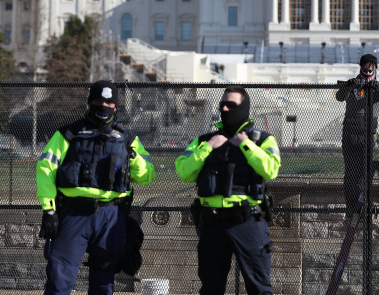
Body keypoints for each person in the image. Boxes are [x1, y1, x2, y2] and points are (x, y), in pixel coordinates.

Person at [36, 80, 155, 295]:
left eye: (109, 102)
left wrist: (133, 156)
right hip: (73, 214)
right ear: (89, 103)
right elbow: (46, 169)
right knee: (59, 279)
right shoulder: (68, 134)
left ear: (116, 107)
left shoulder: (128, 139)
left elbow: (147, 176)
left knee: (103, 283)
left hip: (111, 216)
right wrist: (49, 209)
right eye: (99, 101)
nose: (104, 106)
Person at [175, 85, 281, 295]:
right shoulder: (203, 141)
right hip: (212, 225)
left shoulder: (262, 139)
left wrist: (246, 145)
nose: (225, 109)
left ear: (244, 108)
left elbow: (271, 169)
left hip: (249, 223)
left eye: (231, 105)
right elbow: (183, 172)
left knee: (259, 288)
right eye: (223, 105)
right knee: (211, 288)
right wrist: (208, 148)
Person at [335, 54, 379, 219]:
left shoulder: (377, 87)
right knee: (350, 173)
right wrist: (350, 85)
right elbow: (339, 97)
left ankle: (365, 206)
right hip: (350, 134)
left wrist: (376, 87)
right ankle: (351, 208)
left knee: (365, 173)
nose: (369, 67)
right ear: (361, 66)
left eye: (372, 65)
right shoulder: (353, 84)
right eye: (366, 65)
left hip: (367, 135)